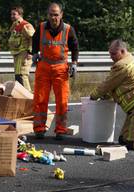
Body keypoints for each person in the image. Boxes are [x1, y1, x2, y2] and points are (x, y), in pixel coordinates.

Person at [31, 2, 79, 139]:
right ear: (48, 15)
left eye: (56, 15)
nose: (53, 17)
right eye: (51, 15)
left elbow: (75, 46)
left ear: (61, 15)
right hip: (44, 67)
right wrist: (34, 53)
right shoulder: (41, 27)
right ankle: (39, 129)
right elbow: (34, 41)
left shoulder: (68, 29)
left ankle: (61, 130)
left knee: (62, 101)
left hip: (60, 68)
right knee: (40, 100)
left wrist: (74, 63)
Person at [90, 39, 134, 150]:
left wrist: (93, 96)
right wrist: (106, 96)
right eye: (110, 54)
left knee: (133, 143)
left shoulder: (122, 66)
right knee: (123, 139)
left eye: (114, 54)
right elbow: (117, 86)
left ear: (123, 51)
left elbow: (107, 85)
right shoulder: (131, 60)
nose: (111, 57)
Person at [8, 6, 35, 91]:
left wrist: (30, 53)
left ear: (20, 15)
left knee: (23, 75)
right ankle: (22, 98)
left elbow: (33, 38)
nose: (12, 16)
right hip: (17, 55)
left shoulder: (25, 25)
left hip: (24, 54)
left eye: (14, 14)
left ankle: (29, 98)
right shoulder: (14, 26)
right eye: (11, 14)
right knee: (18, 76)